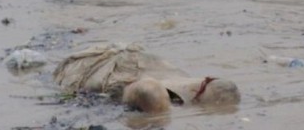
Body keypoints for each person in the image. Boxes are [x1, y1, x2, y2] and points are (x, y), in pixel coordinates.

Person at [53, 43, 241, 114]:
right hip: (163, 77)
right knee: (226, 90)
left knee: (150, 93)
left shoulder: (75, 68)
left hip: (148, 80)